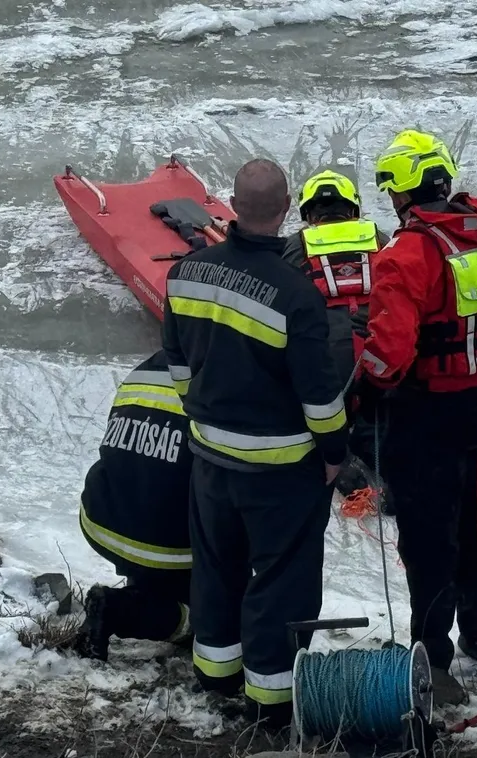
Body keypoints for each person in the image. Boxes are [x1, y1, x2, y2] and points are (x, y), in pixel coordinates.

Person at [162, 158, 350, 726]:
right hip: (281, 468)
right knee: (280, 579)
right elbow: (320, 398)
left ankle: (215, 673)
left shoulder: (186, 272)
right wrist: (336, 455)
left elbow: (177, 364)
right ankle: (271, 701)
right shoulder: (296, 296)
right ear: (287, 208)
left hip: (209, 455)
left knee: (216, 567)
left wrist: (206, 412)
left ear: (232, 205)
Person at [357, 129, 477, 691]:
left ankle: (431, 656)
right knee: (476, 515)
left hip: (429, 409)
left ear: (402, 189)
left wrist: (363, 391)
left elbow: (391, 352)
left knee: (428, 534)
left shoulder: (407, 254)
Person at [75, 350, 194, 661]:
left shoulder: (149, 366)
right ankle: (120, 609)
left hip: (104, 516)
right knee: (206, 619)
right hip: (163, 540)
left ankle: (139, 588)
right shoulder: (226, 377)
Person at [282, 169, 391, 505]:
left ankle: (341, 462)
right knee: (380, 413)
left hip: (328, 356)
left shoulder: (297, 246)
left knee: (319, 411)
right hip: (377, 351)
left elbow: (280, 299)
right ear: (352, 209)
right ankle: (385, 467)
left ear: (309, 213)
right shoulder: (380, 238)